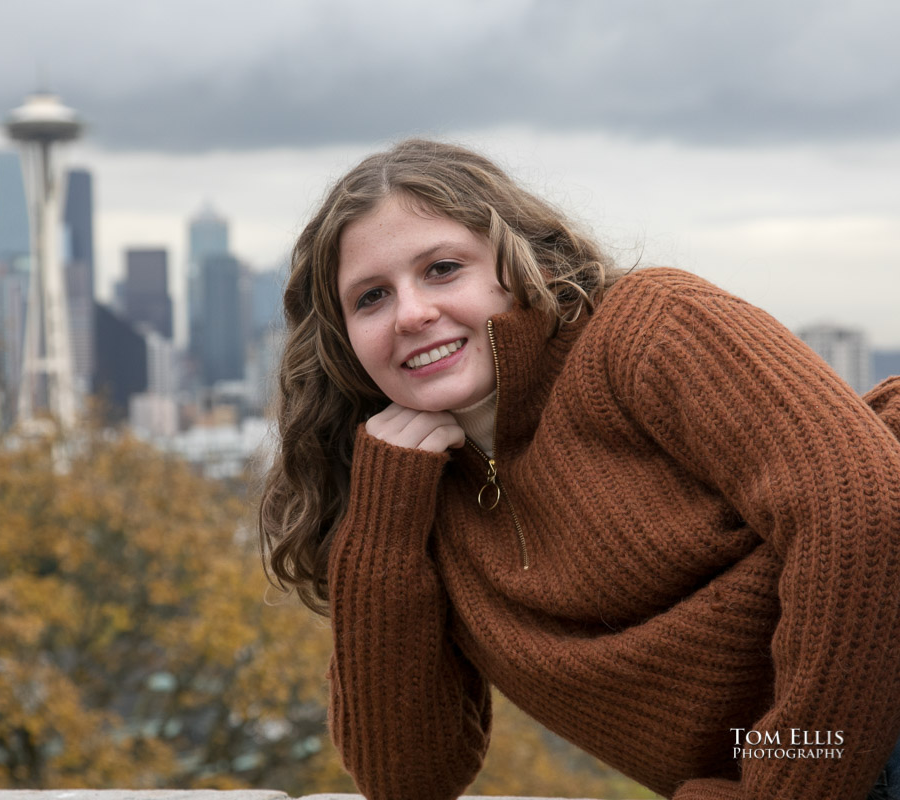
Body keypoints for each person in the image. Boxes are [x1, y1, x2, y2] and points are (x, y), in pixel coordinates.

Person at [258, 138, 900, 800]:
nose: (413, 313)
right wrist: (384, 522)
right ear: (340, 340)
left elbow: (867, 513)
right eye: (370, 298)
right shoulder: (423, 502)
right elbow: (410, 779)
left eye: (444, 269)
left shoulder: (647, 325)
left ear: (515, 260)